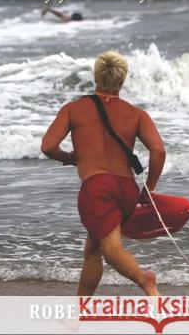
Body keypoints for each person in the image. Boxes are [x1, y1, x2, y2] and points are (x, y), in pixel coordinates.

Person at [41, 51, 166, 296]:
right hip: (127, 190)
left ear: (96, 76)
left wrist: (69, 158)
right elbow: (158, 150)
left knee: (111, 250)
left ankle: (145, 281)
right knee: (92, 250)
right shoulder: (136, 114)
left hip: (97, 190)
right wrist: (149, 189)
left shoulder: (74, 109)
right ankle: (80, 313)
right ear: (123, 79)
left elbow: (47, 146)